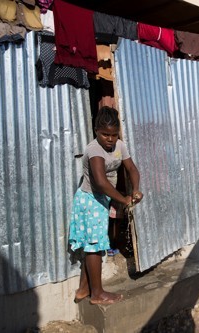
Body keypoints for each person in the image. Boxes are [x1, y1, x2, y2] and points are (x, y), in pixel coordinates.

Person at [69, 106, 143, 305]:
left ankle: (84, 289)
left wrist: (135, 189)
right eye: (105, 134)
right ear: (96, 131)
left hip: (102, 200)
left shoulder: (120, 146)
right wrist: (124, 199)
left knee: (93, 244)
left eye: (113, 134)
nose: (110, 139)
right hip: (90, 199)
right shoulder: (94, 149)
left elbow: (132, 169)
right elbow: (101, 182)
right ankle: (97, 294)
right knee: (94, 247)